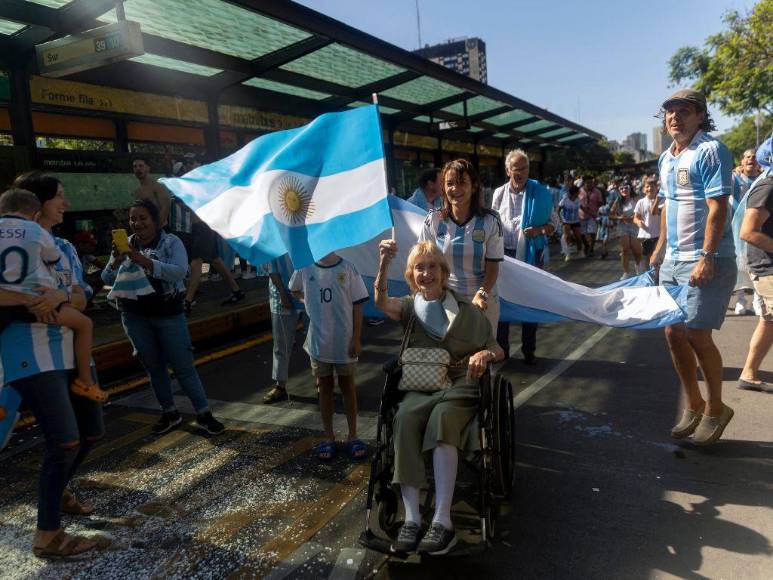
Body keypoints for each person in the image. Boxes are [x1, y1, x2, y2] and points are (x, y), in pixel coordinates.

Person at [375, 239, 504, 555]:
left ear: (443, 273)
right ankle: (413, 519)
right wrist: (383, 264)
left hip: (459, 384)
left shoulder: (466, 311)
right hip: (421, 384)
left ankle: (443, 521)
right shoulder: (409, 307)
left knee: (443, 419)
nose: (426, 273)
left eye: (432, 266)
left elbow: (498, 348)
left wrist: (484, 354)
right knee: (403, 418)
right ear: (411, 275)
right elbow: (379, 301)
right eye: (419, 267)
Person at [2, 171, 104, 559]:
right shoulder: (14, 239)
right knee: (64, 440)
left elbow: (81, 295)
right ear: (37, 203)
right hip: (30, 348)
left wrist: (59, 294)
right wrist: (32, 298)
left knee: (91, 432)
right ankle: (47, 534)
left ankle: (57, 488)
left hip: (72, 347)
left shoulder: (62, 245)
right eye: (60, 196)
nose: (66, 204)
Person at [649, 89, 737, 445]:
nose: (674, 118)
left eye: (683, 111)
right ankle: (694, 403)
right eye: (669, 112)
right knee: (672, 334)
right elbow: (670, 205)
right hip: (674, 261)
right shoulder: (665, 158)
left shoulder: (711, 151)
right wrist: (659, 251)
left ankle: (716, 408)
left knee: (698, 335)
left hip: (708, 260)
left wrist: (707, 256)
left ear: (700, 115)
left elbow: (718, 208)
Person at [102, 199, 225, 436]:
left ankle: (203, 413)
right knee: (154, 367)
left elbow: (179, 272)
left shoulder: (171, 242)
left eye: (143, 218)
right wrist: (117, 259)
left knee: (183, 366)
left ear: (156, 221)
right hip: (134, 316)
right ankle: (169, 412)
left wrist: (141, 259)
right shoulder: (125, 243)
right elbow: (108, 278)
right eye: (133, 219)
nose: (137, 223)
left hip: (168, 315)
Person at [0, 189, 106, 402]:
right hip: (39, 300)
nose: (64, 203)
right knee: (84, 325)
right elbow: (52, 258)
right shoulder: (36, 231)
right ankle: (85, 381)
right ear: (36, 214)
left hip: (5, 305)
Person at [289, 251, 369, 461]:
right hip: (318, 343)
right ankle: (329, 437)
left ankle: (353, 435)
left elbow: (358, 304)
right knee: (324, 388)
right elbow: (294, 288)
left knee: (348, 387)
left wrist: (357, 338)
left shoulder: (348, 268)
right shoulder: (304, 266)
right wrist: (308, 300)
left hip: (344, 343)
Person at [419, 159, 504, 334]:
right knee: (448, 357)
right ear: (443, 187)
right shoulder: (433, 220)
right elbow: (422, 261)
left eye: (462, 183)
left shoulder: (491, 221)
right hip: (445, 300)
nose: (455, 189)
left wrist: (482, 293)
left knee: (480, 357)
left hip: (482, 300)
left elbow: (493, 267)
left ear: (474, 186)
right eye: (449, 183)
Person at [491, 149, 556, 364]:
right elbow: (491, 223)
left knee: (530, 301)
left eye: (525, 168)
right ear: (508, 170)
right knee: (501, 303)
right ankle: (503, 350)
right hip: (504, 256)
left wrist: (539, 230)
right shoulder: (499, 194)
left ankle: (529, 351)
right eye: (517, 169)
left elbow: (554, 224)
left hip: (530, 255)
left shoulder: (541, 193)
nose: (521, 172)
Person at [737, 140, 773, 393]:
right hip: (766, 266)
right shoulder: (768, 186)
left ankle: (749, 374)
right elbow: (748, 232)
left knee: (769, 321)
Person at [262, 254, 303, 404]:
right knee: (281, 343)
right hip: (281, 295)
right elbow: (272, 269)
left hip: (307, 292)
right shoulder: (276, 234)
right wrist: (283, 295)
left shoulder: (306, 230)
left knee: (316, 340)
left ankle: (321, 381)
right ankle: (280, 385)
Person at [731, 148, 763, 315]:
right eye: (747, 157)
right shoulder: (734, 179)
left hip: (758, 230)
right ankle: (741, 301)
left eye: (754, 157)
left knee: (758, 265)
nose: (751, 159)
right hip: (737, 231)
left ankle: (758, 301)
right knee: (739, 267)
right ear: (741, 162)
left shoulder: (764, 180)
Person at [611, 184, 643, 279]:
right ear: (619, 190)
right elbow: (611, 215)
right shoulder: (618, 201)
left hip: (635, 226)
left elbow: (643, 211)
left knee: (637, 251)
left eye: (626, 187)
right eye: (621, 188)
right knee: (625, 249)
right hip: (623, 227)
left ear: (630, 189)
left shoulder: (636, 199)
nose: (624, 189)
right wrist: (619, 217)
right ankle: (626, 272)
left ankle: (638, 266)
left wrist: (636, 216)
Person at [132, 157, 172, 228]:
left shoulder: (157, 186)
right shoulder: (137, 191)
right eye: (135, 166)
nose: (138, 169)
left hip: (160, 229)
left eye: (141, 166)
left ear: (148, 168)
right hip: (145, 229)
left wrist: (156, 227)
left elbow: (166, 206)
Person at [633, 177, 663, 260]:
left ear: (657, 188)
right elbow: (635, 218)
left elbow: (657, 212)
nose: (650, 188)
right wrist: (638, 222)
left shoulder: (662, 200)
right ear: (643, 189)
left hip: (659, 234)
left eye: (652, 186)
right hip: (645, 235)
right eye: (647, 186)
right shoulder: (641, 202)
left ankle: (656, 273)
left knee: (658, 258)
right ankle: (648, 272)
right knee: (648, 258)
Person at [579, 176, 603, 257]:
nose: (590, 184)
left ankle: (591, 249)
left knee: (592, 232)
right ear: (584, 183)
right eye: (588, 182)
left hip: (593, 216)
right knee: (582, 233)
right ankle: (586, 246)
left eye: (591, 182)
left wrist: (597, 208)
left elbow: (600, 202)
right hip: (581, 215)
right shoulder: (579, 191)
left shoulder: (597, 191)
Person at [558, 185, 584, 261]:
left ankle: (580, 251)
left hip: (576, 221)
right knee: (567, 236)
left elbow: (582, 208)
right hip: (566, 221)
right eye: (577, 192)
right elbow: (558, 210)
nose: (578, 194)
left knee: (578, 237)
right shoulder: (565, 199)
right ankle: (567, 254)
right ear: (573, 193)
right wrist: (560, 220)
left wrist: (591, 214)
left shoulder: (578, 199)